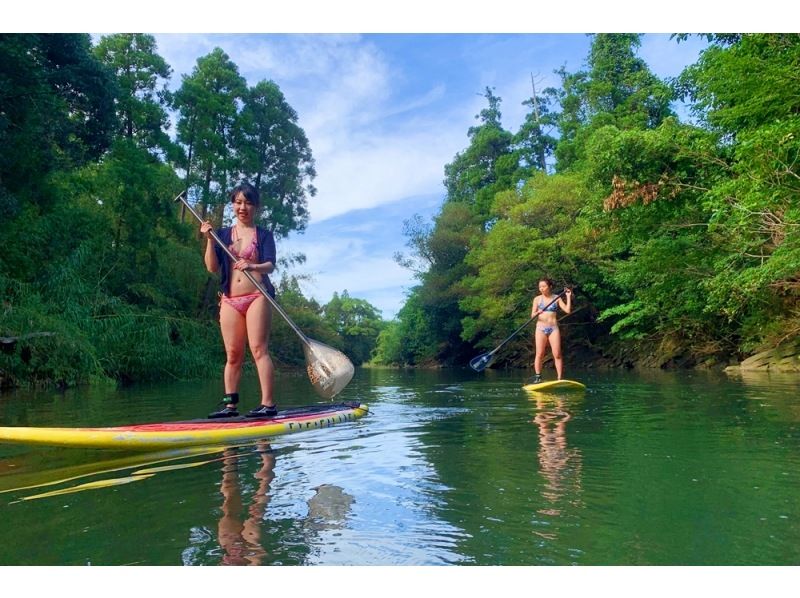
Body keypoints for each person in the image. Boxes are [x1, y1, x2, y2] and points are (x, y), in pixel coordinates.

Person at [200, 182, 278, 418]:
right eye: (238, 202)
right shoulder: (222, 234)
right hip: (230, 300)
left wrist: (252, 265)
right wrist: (210, 240)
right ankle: (230, 406)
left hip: (257, 296)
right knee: (233, 354)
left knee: (258, 350)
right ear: (233, 205)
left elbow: (270, 265)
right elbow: (212, 268)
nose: (243, 207)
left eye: (248, 202)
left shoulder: (263, 234)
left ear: (256, 207)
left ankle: (268, 405)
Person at [529, 279, 572, 383]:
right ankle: (538, 377)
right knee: (540, 353)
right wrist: (537, 312)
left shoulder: (556, 298)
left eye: (544, 286)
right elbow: (532, 315)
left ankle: (559, 378)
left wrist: (568, 297)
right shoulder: (537, 299)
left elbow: (567, 310)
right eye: (540, 287)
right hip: (540, 328)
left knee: (557, 354)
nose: (541, 288)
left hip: (553, 328)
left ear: (550, 286)